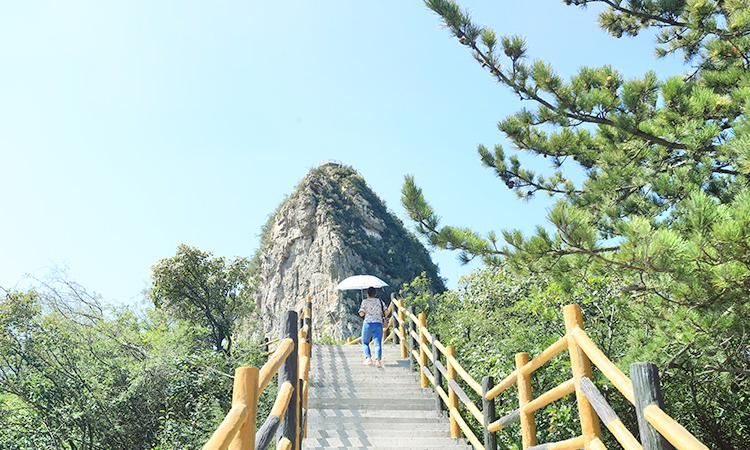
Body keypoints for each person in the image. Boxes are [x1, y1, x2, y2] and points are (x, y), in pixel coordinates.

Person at [358, 286, 386, 367]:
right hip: (378, 323)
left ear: (367, 294)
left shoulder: (364, 301)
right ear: (375, 293)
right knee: (378, 343)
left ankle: (368, 358)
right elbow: (386, 311)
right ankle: (378, 361)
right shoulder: (380, 301)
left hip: (368, 323)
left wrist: (362, 312)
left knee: (365, 342)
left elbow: (362, 313)